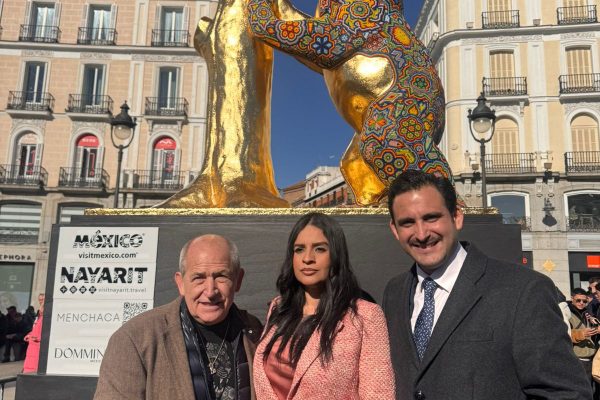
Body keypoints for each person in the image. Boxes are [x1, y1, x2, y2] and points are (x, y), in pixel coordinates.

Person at [382, 169, 592, 399]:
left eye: (431, 218)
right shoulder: (394, 292)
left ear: (457, 217)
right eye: (407, 223)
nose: (421, 234)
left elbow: (567, 393)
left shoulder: (524, 290)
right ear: (394, 230)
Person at [94, 234, 263, 400]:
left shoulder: (256, 333)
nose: (210, 291)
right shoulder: (136, 338)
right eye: (199, 278)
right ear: (181, 283)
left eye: (221, 276)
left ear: (238, 280)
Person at [253, 212, 395, 399]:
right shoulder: (279, 308)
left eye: (319, 249)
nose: (307, 258)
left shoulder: (366, 316)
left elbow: (379, 395)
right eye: (299, 249)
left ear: (336, 256)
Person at [570, 287, 598, 392]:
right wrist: (581, 334)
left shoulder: (587, 313)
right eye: (578, 300)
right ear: (572, 298)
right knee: (578, 390)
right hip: (576, 359)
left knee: (589, 390)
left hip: (590, 358)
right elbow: (563, 334)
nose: (581, 303)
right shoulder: (567, 313)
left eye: (584, 301)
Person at [23, 293, 45, 373]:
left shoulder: (46, 317)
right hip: (32, 346)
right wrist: (29, 335)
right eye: (39, 300)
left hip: (37, 347)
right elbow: (35, 329)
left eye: (42, 300)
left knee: (33, 369)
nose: (41, 302)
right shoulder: (38, 316)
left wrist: (37, 338)